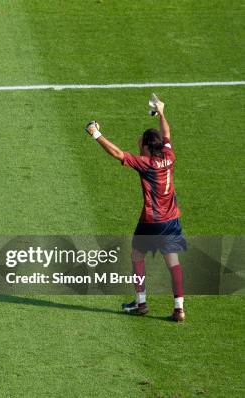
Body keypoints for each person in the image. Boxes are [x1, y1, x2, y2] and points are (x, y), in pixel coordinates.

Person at [84, 98, 187, 322]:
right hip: (171, 220)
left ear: (148, 147)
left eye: (141, 143)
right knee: (173, 263)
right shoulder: (169, 156)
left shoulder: (145, 164)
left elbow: (118, 154)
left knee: (136, 255)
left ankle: (140, 302)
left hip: (151, 221)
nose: (139, 145)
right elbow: (166, 132)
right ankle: (179, 308)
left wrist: (95, 133)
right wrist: (161, 113)